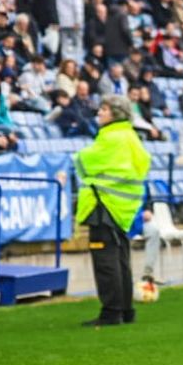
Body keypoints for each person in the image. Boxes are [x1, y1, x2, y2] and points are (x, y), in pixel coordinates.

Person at [75, 95, 152, 327]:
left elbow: (83, 162)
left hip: (104, 206)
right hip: (123, 209)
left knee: (106, 262)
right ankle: (126, 310)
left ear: (115, 113)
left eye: (104, 109)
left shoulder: (112, 138)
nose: (100, 112)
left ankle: (111, 312)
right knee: (121, 260)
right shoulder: (130, 136)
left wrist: (77, 158)